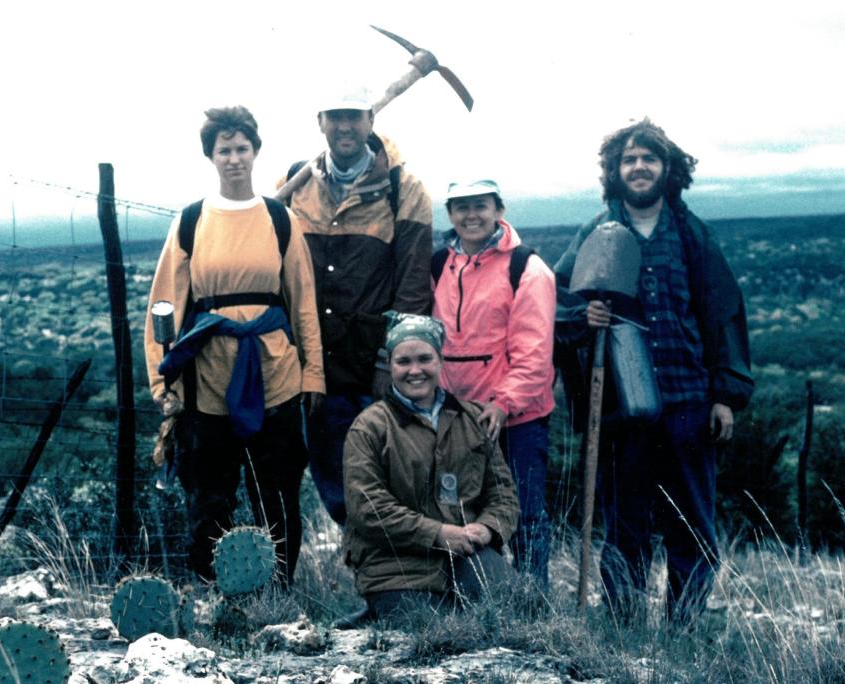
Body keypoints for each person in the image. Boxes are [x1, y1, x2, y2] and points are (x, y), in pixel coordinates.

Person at [554, 119, 753, 624]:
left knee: (691, 521)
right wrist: (583, 317)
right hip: (622, 405)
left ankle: (683, 625)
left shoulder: (691, 234)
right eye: (629, 160)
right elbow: (556, 302)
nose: (639, 167)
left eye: (649, 159)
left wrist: (725, 395)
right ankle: (623, 624)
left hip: (689, 401)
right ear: (615, 172)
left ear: (668, 169)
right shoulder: (597, 234)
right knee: (626, 521)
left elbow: (723, 313)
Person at [144, 106, 325, 587]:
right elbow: (164, 302)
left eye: (242, 148)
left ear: (256, 152)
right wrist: (163, 382)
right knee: (209, 493)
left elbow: (303, 303)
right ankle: (212, 590)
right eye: (224, 149)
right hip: (208, 377)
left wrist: (313, 375)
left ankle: (280, 590)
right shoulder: (191, 221)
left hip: (275, 373)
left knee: (277, 489)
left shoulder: (281, 220)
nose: (234, 158)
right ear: (211, 156)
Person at [282, 89, 434, 526]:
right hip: (313, 364)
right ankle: (365, 572)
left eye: (353, 117)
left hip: (374, 365)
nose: (344, 127)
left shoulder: (403, 188)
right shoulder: (296, 183)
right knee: (333, 479)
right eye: (335, 117)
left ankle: (397, 581)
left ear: (371, 120)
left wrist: (392, 360)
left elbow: (412, 287)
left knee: (391, 479)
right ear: (320, 121)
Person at [343, 312, 519, 622]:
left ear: (440, 360)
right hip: (395, 566)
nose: (415, 371)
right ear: (390, 365)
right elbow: (367, 508)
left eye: (424, 359)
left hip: (466, 555)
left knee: (518, 610)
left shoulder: (473, 419)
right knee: (434, 632)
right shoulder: (369, 427)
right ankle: (376, 611)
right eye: (403, 362)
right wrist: (436, 533)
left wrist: (488, 528)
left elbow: (503, 494)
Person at [431, 180, 556, 587]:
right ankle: (483, 600)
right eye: (461, 206)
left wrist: (503, 404)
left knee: (524, 514)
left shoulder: (527, 268)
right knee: (465, 514)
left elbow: (534, 353)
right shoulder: (439, 266)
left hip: (515, 419)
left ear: (498, 208)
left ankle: (533, 608)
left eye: (480, 205)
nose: (471, 215)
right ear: (449, 213)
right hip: (457, 418)